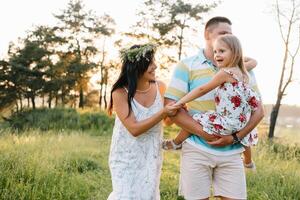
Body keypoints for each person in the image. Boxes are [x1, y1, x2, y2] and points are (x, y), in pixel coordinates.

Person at [164, 16, 264, 200]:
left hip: (232, 151)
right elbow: (170, 108)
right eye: (222, 33)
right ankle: (177, 143)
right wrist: (206, 134)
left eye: (230, 35)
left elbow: (258, 110)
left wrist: (235, 138)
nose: (227, 38)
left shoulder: (243, 71)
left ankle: (175, 143)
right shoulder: (187, 65)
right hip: (197, 149)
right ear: (207, 34)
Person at [163, 34, 260, 169]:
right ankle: (248, 161)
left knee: (196, 118)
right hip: (241, 122)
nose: (216, 55)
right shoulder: (244, 74)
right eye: (215, 51)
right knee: (243, 138)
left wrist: (180, 102)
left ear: (235, 53)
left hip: (227, 122)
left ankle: (176, 142)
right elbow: (253, 62)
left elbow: (202, 89)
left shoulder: (225, 73)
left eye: (222, 51)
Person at [107, 44, 175, 200]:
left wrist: (173, 112)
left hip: (151, 154)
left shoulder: (161, 87)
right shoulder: (119, 92)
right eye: (150, 63)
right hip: (126, 155)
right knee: (125, 195)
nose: (155, 66)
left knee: (147, 195)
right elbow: (134, 129)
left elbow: (166, 122)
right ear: (137, 66)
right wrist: (163, 112)